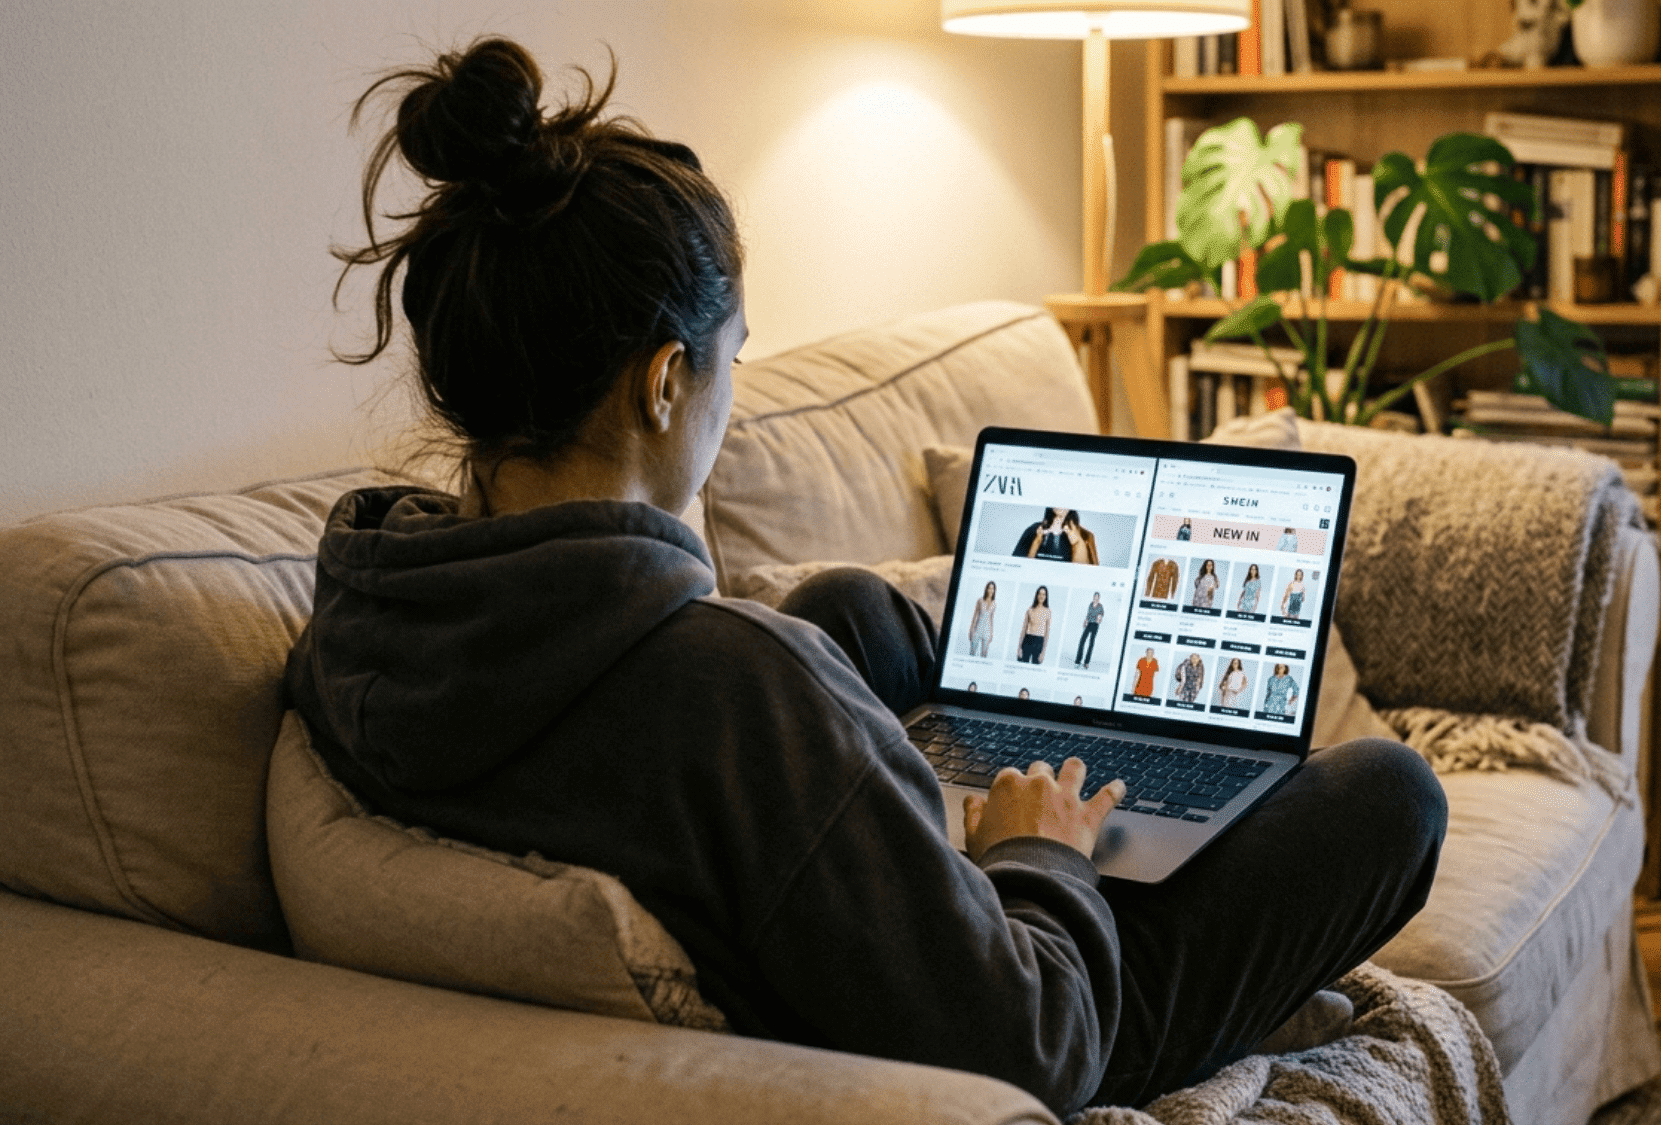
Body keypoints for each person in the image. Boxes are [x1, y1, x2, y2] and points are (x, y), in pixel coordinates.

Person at [286, 37, 1444, 1118]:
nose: (730, 396)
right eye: (732, 360)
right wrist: (1036, 854)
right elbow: (1030, 1043)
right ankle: (1076, 794)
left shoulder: (365, 603)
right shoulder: (733, 685)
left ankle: (1019, 747)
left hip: (758, 867)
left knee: (847, 607)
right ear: (662, 383)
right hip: (1026, 995)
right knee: (1389, 797)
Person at [1017, 585, 1052, 664]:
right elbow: (1023, 629)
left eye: (1044, 594)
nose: (1041, 596)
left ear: (1046, 596)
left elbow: (1047, 633)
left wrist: (1043, 652)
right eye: (1039, 594)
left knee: (1035, 669)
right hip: (1028, 639)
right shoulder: (1030, 610)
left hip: (1039, 641)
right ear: (1036, 595)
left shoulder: (1048, 612)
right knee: (1022, 665)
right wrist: (1019, 648)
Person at [967, 581, 998, 657]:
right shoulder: (980, 600)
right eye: (989, 588)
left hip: (987, 631)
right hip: (977, 630)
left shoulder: (994, 603)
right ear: (986, 589)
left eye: (992, 589)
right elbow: (975, 616)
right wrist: (971, 631)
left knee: (984, 655)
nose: (991, 590)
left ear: (994, 590)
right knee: (972, 653)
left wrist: (991, 633)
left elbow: (991, 619)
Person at [1074, 592, 1103, 668]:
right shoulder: (1090, 605)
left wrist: (1099, 620)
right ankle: (1078, 660)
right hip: (1089, 624)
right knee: (1082, 641)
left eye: (1097, 597)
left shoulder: (1100, 606)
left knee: (1091, 643)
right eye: (1094, 596)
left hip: (1095, 625)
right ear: (1093, 597)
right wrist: (1085, 622)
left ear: (1099, 598)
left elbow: (1101, 616)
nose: (1095, 598)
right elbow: (1088, 614)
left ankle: (1086, 662)